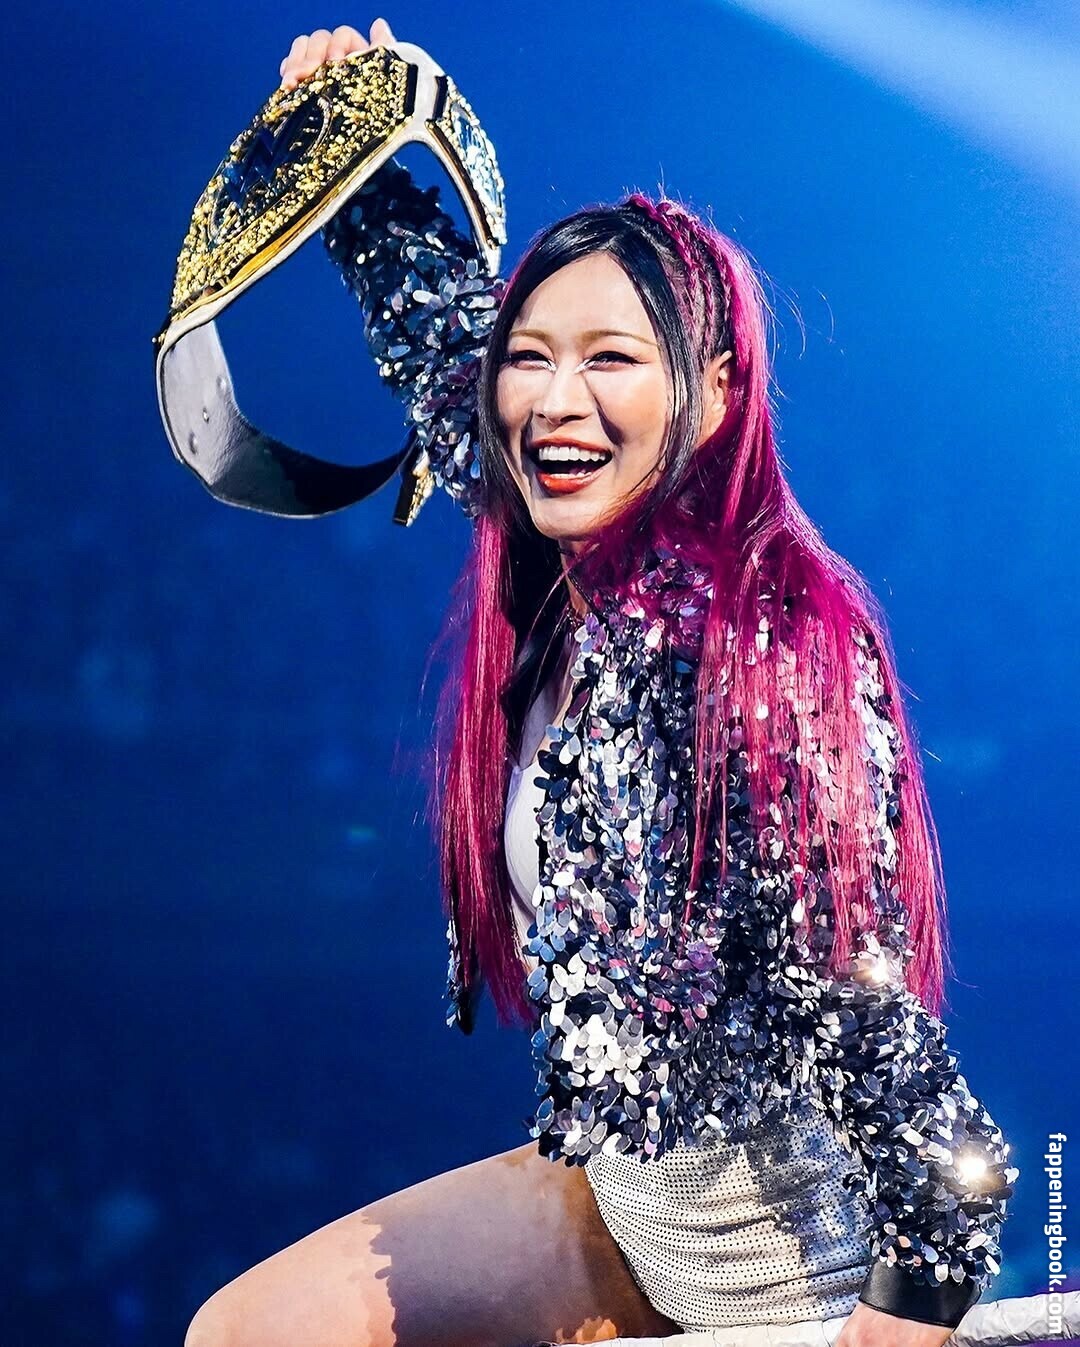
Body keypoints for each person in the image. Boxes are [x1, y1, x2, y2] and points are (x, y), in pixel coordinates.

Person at [184, 19, 1016, 1347]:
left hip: (783, 1278)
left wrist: (915, 1285)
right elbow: (443, 341)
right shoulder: (555, 535)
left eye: (613, 359)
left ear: (714, 393)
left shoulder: (759, 633)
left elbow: (864, 1007)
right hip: (619, 1205)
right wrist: (353, 135)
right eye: (531, 356)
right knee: (251, 1333)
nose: (555, 399)